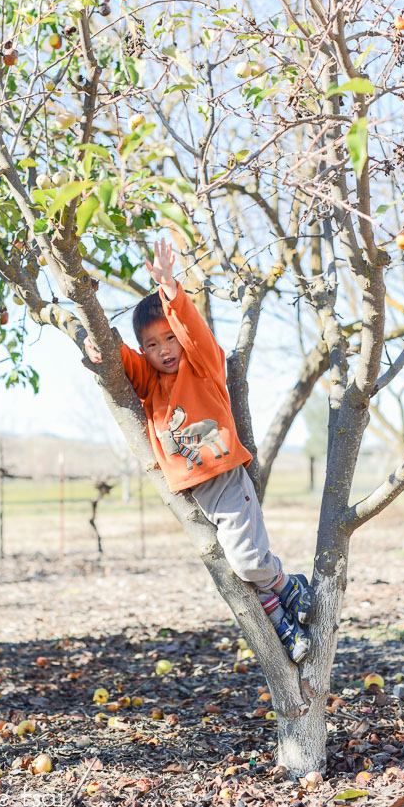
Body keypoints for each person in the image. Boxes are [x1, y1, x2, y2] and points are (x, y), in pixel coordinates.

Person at [84, 239, 314, 663]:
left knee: (246, 563)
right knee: (238, 563)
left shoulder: (203, 365)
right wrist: (102, 348)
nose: (163, 350)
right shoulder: (153, 384)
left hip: (224, 478)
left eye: (168, 338)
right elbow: (125, 367)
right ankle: (281, 614)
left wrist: (171, 290)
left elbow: (193, 331)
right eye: (151, 345)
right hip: (196, 492)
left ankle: (286, 586)